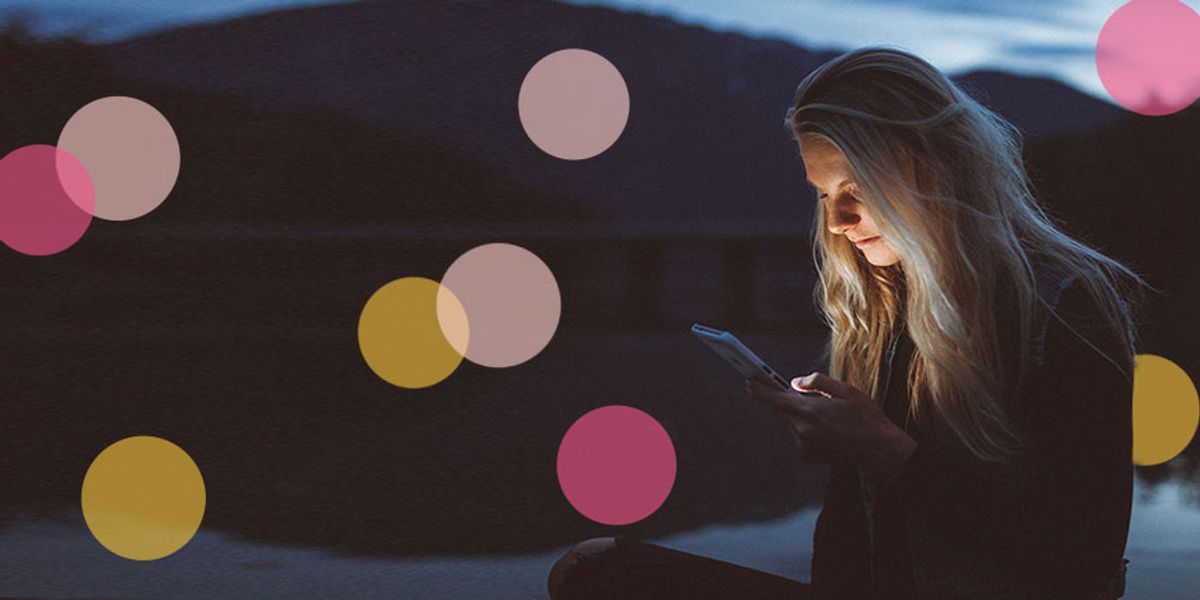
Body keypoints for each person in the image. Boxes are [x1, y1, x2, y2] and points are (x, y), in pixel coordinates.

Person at [547, 46, 1146, 600]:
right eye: (823, 192)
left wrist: (885, 450)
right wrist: (854, 446)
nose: (837, 220)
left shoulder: (1064, 304)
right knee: (596, 568)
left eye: (856, 186)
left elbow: (1081, 557)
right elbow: (846, 540)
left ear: (934, 166)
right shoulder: (884, 307)